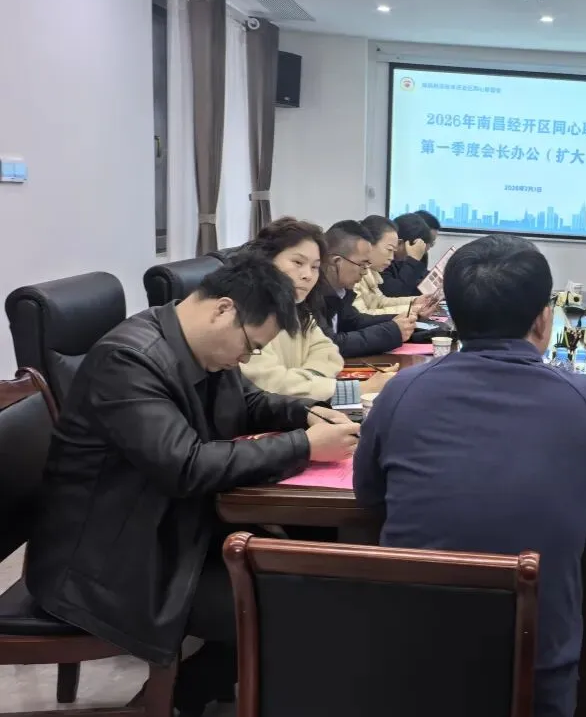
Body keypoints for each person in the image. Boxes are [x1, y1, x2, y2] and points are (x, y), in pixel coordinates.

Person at [25, 256, 361, 715]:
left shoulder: (199, 344)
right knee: (290, 603)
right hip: (110, 560)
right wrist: (304, 447)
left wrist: (304, 414)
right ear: (223, 309)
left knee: (307, 569)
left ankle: (193, 690)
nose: (245, 360)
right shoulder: (128, 360)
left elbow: (249, 402)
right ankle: (181, 695)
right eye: (249, 347)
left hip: (169, 527)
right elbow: (185, 466)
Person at [354, 234, 586, 717]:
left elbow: (368, 495)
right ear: (544, 319)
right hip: (535, 674)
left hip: (409, 666)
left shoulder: (402, 391)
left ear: (454, 317)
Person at [239, 218, 392, 400]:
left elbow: (329, 353)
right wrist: (357, 390)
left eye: (315, 267)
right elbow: (273, 384)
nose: (308, 275)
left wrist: (305, 382)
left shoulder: (299, 309)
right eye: (298, 262)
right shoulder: (244, 314)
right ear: (266, 260)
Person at [321, 219, 417, 357]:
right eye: (362, 264)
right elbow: (332, 345)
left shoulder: (340, 290)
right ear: (336, 262)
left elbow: (354, 321)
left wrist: (396, 321)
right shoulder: (311, 296)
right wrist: (392, 331)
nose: (365, 272)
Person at [353, 215, 439, 318]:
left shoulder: (371, 269)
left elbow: (380, 302)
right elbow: (362, 317)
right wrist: (412, 310)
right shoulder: (353, 272)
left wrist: (414, 301)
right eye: (389, 250)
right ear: (368, 244)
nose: (391, 257)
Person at [380, 212, 434, 297]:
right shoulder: (381, 260)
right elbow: (396, 293)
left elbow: (419, 280)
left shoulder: (413, 256)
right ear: (400, 243)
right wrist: (413, 260)